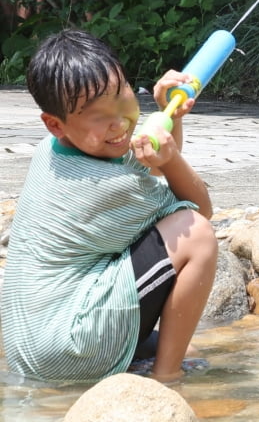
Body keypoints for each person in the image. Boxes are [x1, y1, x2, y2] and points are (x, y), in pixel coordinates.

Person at [0, 29, 218, 384]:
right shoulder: (108, 186)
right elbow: (197, 213)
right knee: (197, 235)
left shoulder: (53, 150)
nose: (118, 122)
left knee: (184, 345)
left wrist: (170, 115)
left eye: (121, 97)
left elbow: (148, 159)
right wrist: (173, 158)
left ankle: (145, 364)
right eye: (96, 115)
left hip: (34, 347)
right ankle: (168, 380)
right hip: (66, 349)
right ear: (56, 123)